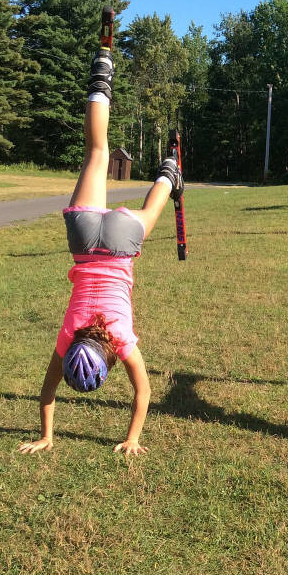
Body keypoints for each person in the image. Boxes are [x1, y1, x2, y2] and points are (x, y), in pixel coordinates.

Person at [18, 44, 183, 456]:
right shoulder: (68, 334)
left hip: (121, 242)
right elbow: (47, 394)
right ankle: (101, 77)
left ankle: (170, 171)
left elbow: (142, 393)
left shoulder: (122, 340)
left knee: (151, 209)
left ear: (107, 359)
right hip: (84, 235)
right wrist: (47, 434)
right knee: (97, 152)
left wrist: (132, 439)